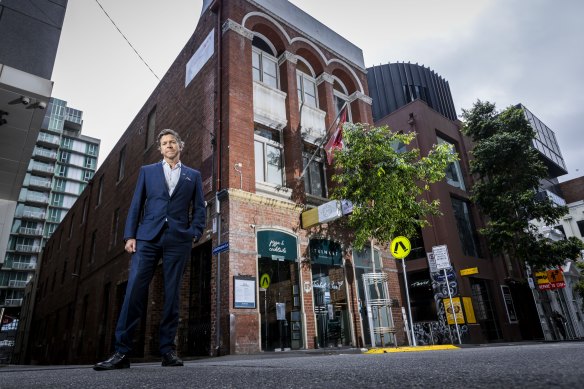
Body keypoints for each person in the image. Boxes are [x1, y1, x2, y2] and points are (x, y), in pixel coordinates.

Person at [94, 129, 206, 370]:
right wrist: (130, 235)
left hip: (178, 239)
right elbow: (137, 203)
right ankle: (122, 353)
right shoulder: (148, 172)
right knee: (134, 289)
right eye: (164, 143)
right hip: (147, 237)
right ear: (160, 148)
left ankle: (167, 351)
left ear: (180, 145)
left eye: (172, 142)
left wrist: (195, 232)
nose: (168, 146)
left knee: (172, 293)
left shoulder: (193, 176)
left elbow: (199, 207)